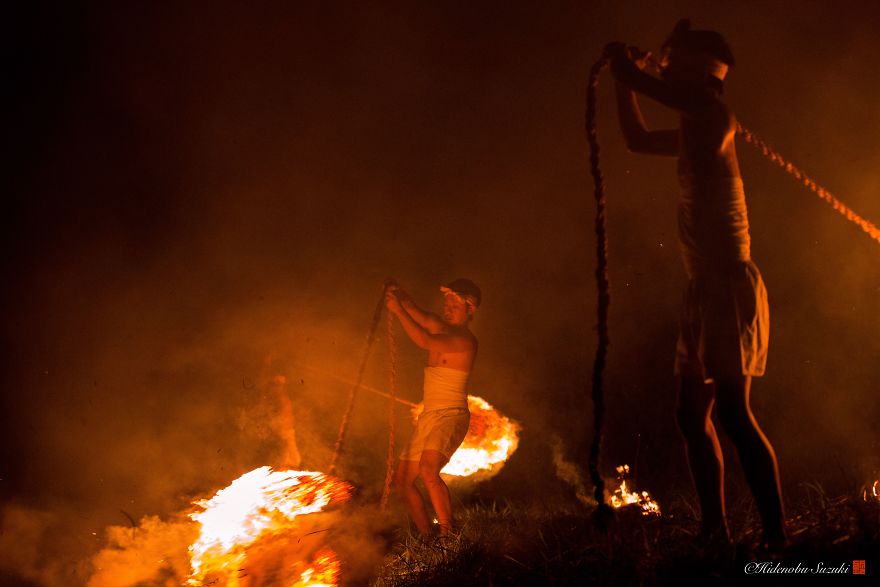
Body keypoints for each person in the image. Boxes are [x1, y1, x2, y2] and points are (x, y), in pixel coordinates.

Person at [605, 19, 786, 548]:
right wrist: (625, 80)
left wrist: (629, 69)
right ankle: (716, 529)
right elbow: (638, 141)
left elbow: (660, 91)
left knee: (733, 410)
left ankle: (776, 540)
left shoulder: (712, 113)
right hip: (703, 289)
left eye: (670, 58)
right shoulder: (694, 124)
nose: (662, 64)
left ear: (693, 68)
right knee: (690, 415)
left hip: (728, 286)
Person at [385, 278, 480, 536]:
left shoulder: (465, 341)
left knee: (428, 470)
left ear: (470, 310)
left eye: (455, 305)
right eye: (446, 303)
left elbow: (425, 341)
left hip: (451, 415)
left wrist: (398, 311)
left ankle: (449, 536)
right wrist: (398, 293)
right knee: (402, 481)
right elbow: (417, 312)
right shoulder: (440, 325)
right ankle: (428, 538)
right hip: (430, 416)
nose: (447, 308)